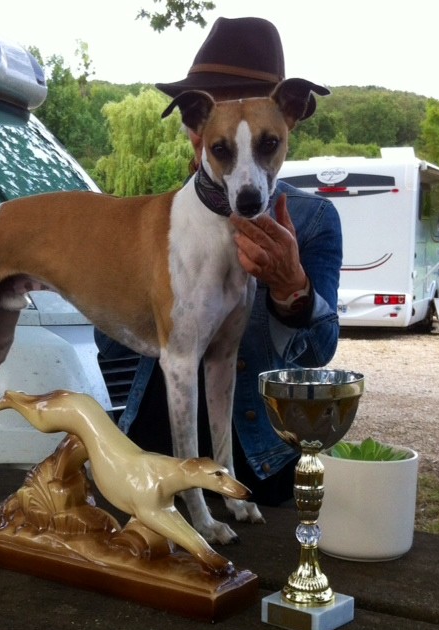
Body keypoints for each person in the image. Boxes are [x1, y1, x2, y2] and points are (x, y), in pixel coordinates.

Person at [95, 17, 342, 506]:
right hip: (151, 454)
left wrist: (290, 289)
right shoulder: (158, 216)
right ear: (195, 126)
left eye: (262, 141)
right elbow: (115, 347)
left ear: (283, 119)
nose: (245, 172)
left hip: (257, 468)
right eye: (216, 133)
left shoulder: (313, 219)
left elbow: (322, 352)